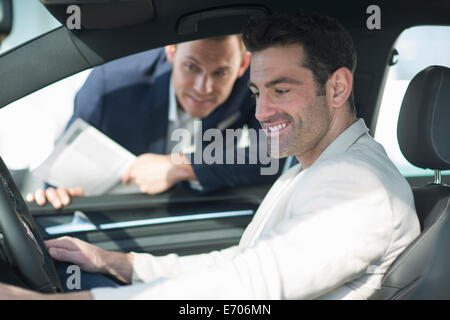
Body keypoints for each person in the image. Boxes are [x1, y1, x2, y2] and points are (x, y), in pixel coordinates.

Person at [0, 12, 420, 300]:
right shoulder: (311, 169)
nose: (261, 112)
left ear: (337, 88)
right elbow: (241, 260)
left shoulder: (358, 184)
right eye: (257, 92)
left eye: (281, 89)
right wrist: (122, 263)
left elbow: (252, 283)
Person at [27, 35, 283, 209]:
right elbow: (67, 162)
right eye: (192, 67)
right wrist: (55, 194)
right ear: (171, 51)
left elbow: (275, 156)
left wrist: (183, 166)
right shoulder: (111, 83)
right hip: (122, 220)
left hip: (203, 218)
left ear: (242, 65)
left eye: (220, 73)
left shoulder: (254, 84)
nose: (204, 87)